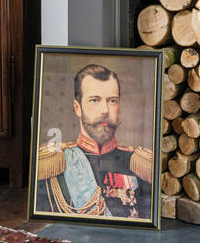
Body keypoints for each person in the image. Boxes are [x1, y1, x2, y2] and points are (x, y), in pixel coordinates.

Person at [34, 63, 153, 219]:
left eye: (112, 101)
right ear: (77, 108)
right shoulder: (51, 163)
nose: (104, 110)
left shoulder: (142, 164)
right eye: (94, 100)